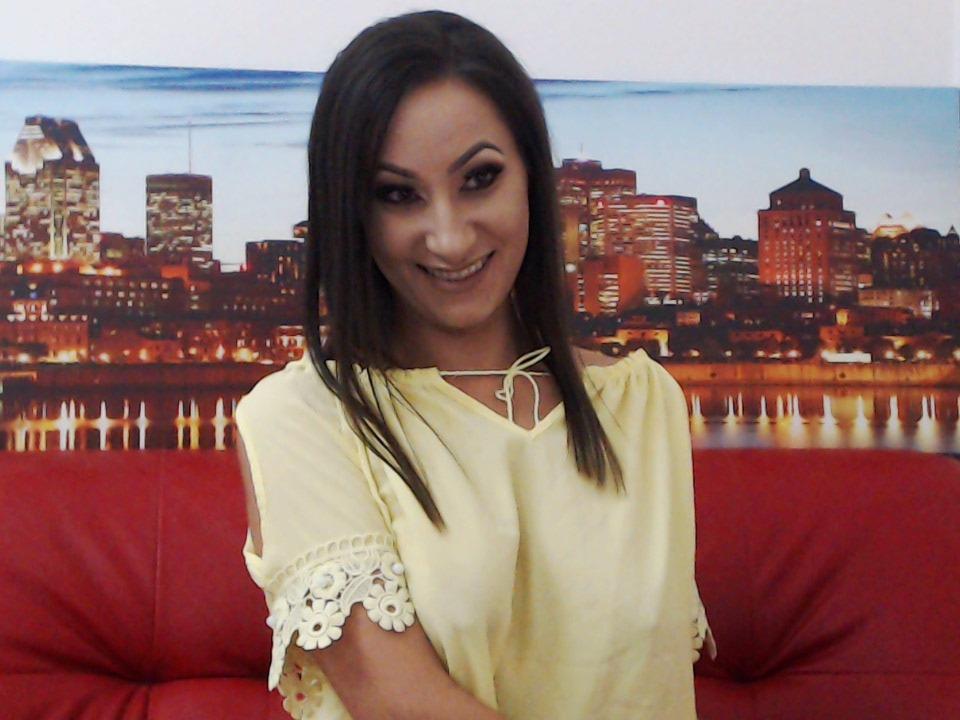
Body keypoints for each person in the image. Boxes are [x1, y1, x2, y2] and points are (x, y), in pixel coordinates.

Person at [234, 9, 716, 720]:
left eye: (480, 179)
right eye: (397, 194)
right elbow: (399, 702)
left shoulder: (642, 402)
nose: (451, 237)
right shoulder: (302, 417)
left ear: (531, 180)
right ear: (352, 213)